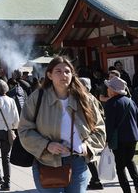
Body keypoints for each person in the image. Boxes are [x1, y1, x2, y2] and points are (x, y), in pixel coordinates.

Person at [17, 56, 106, 193]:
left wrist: (87, 146)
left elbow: (100, 129)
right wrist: (46, 145)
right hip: (46, 162)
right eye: (58, 71)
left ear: (72, 74)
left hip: (77, 162)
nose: (63, 75)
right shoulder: (37, 98)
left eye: (67, 72)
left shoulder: (85, 99)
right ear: (49, 75)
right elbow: (24, 130)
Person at [104, 77, 138, 193]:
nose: (107, 90)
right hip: (133, 137)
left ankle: (127, 190)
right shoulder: (130, 102)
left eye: (109, 88)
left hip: (118, 139)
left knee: (120, 166)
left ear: (114, 90)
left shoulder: (110, 104)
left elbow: (109, 124)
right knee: (130, 160)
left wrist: (106, 140)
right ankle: (137, 183)